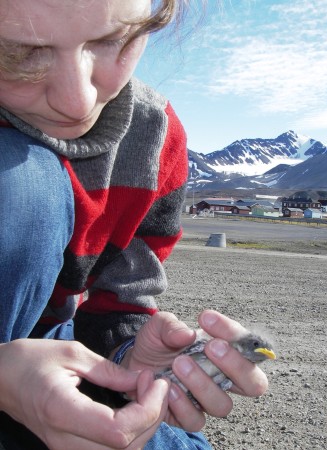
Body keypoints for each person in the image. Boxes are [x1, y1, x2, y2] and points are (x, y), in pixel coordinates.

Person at [0, 0, 269, 448]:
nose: (78, 100)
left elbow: (120, 301)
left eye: (114, 40)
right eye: (15, 55)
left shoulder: (153, 136)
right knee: (21, 181)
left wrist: (129, 358)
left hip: (52, 346)